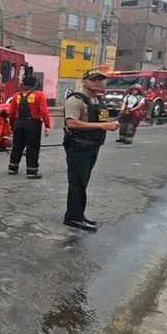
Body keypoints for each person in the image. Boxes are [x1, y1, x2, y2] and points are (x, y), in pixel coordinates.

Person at [62, 70, 119, 231]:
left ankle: (78, 214)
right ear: (84, 81)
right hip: (79, 146)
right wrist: (102, 126)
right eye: (94, 79)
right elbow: (71, 123)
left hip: (93, 146)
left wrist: (111, 124)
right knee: (77, 183)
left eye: (100, 80)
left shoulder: (97, 100)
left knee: (83, 182)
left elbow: (101, 120)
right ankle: (73, 218)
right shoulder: (75, 100)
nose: (97, 82)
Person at [7, 71, 51, 178]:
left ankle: (13, 168)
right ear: (35, 84)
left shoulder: (16, 95)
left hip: (18, 123)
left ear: (23, 84)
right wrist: (47, 126)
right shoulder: (39, 95)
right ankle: (32, 171)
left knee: (17, 145)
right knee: (33, 147)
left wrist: (11, 124)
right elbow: (44, 112)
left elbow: (11, 112)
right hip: (33, 124)